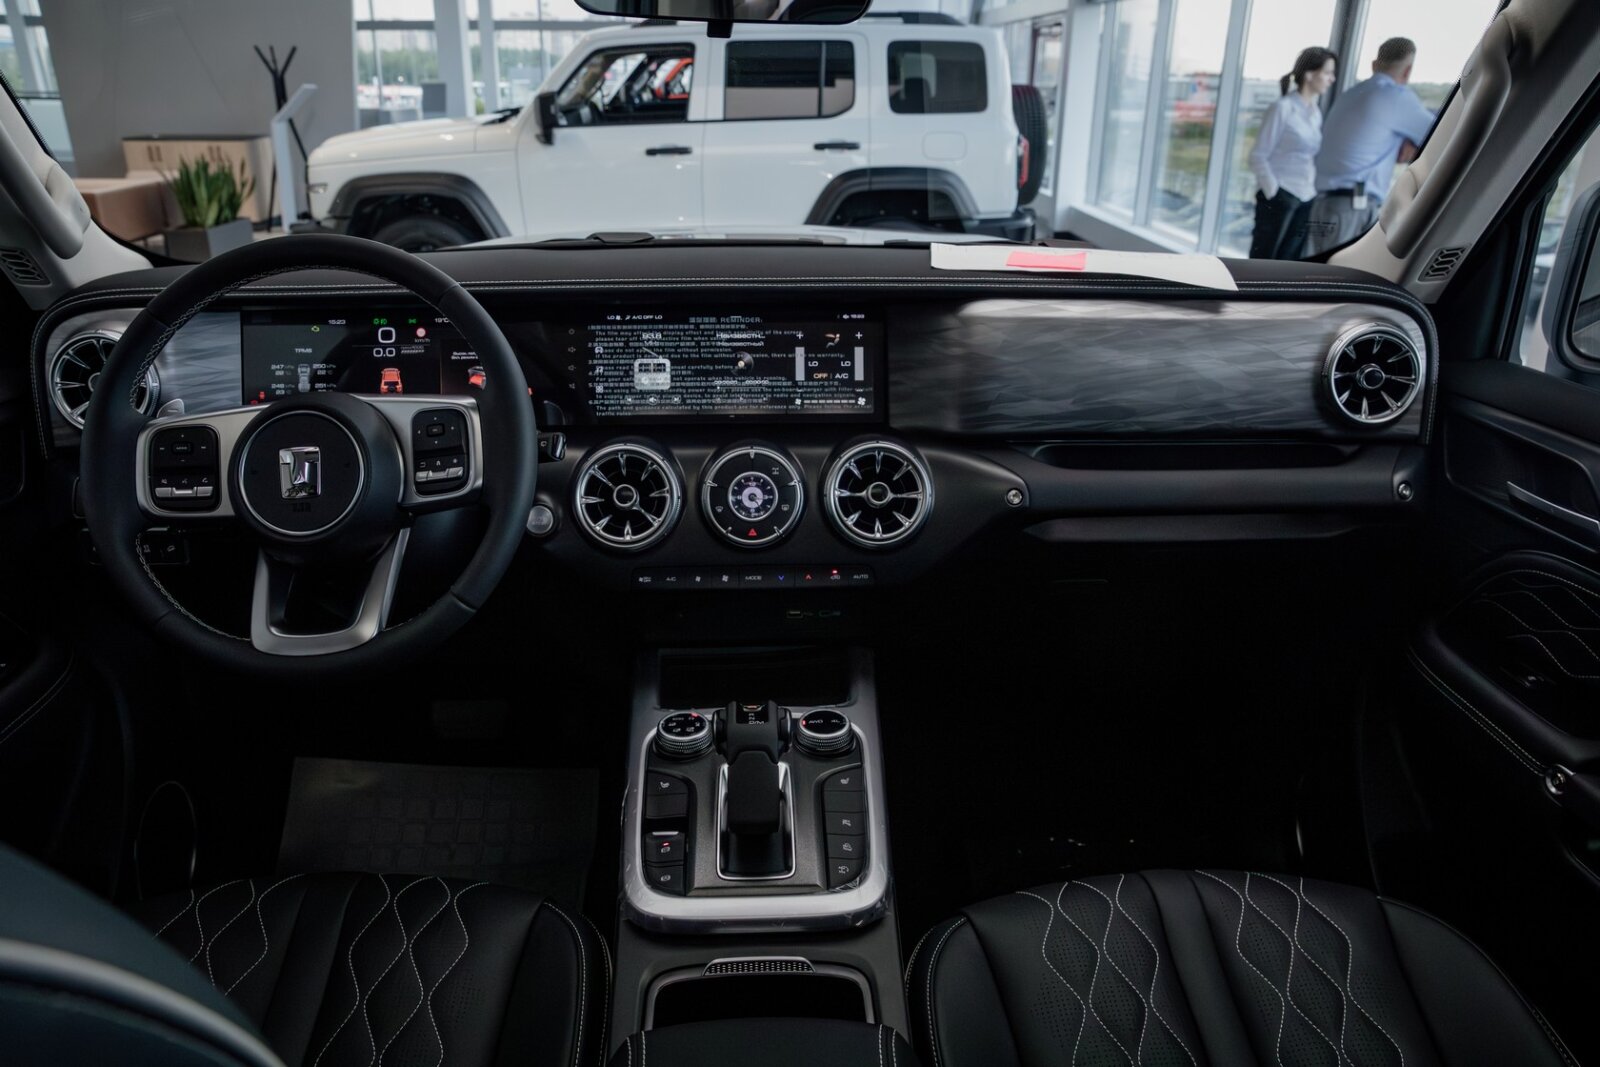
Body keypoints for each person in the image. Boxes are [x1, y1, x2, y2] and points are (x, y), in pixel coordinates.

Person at [1304, 36, 1436, 255]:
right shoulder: (1395, 96)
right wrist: (1410, 142)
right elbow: (1438, 131)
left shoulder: (1350, 94)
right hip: (1353, 209)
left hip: (1324, 205)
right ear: (1407, 71)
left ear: (1374, 64)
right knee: (1343, 275)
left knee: (1320, 271)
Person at [1248, 46, 1338, 259]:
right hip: (1281, 195)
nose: (1332, 79)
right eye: (1327, 72)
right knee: (1263, 263)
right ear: (1309, 74)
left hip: (1305, 196)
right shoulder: (1283, 108)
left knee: (1288, 263)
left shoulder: (1315, 113)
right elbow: (1257, 156)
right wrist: (1274, 192)